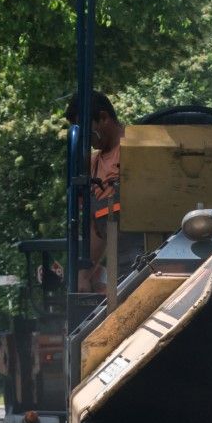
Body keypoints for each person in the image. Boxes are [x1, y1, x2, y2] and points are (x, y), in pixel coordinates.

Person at [78, 93, 125, 294]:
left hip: (140, 251)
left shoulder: (138, 151)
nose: (86, 140)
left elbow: (109, 217)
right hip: (119, 261)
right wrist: (86, 275)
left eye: (88, 131)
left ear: (104, 118)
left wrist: (84, 275)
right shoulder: (92, 164)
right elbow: (94, 226)